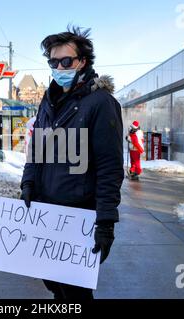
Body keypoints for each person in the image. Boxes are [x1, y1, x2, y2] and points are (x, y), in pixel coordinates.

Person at [20, 26, 124, 300]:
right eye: (53, 62)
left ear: (83, 62)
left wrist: (105, 222)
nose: (59, 67)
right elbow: (36, 148)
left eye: (66, 61)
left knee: (75, 293)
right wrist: (28, 183)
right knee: (53, 285)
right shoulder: (48, 100)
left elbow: (109, 168)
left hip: (78, 217)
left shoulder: (101, 103)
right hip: (46, 215)